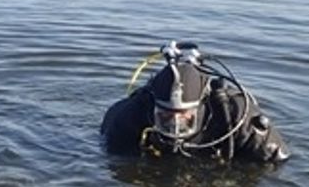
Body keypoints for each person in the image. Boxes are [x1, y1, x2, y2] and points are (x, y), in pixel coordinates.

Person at [100, 40, 289, 163]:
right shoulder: (131, 114)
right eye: (165, 117)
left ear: (201, 108)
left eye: (186, 118)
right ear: (154, 108)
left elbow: (275, 162)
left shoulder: (236, 115)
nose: (175, 126)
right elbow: (112, 153)